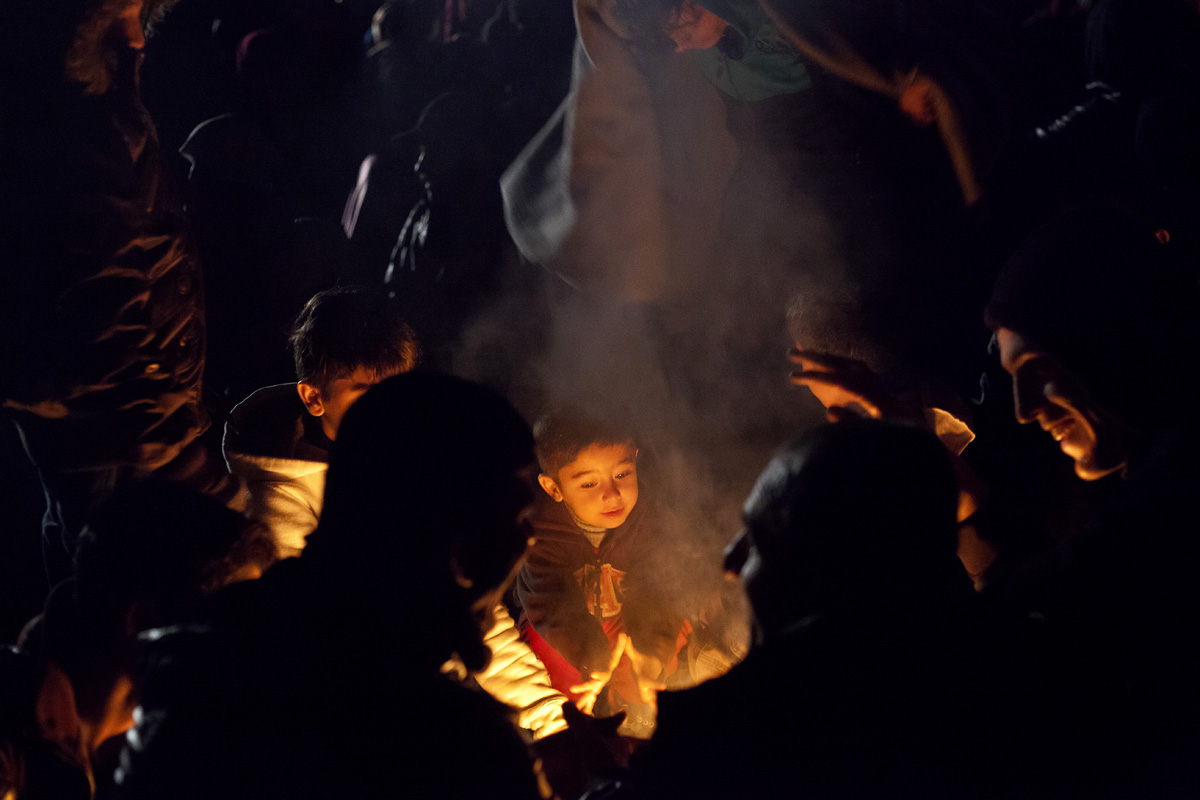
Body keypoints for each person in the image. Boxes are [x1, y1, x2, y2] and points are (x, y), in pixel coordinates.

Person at [117, 373, 552, 800]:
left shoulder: (199, 661)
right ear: (458, 549)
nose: (527, 541)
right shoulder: (454, 750)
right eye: (515, 521)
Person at [619, 421, 1041, 799]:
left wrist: (601, 774)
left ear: (820, 560)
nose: (730, 562)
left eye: (759, 536)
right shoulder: (1016, 668)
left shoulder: (728, 731)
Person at [225, 300, 568, 740]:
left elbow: (472, 605)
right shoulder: (276, 507)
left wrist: (551, 720)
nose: (393, 406)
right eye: (368, 392)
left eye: (399, 387)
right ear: (313, 396)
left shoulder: (406, 469)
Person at [0, 0, 242, 584]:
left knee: (91, 577)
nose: (135, 38)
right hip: (119, 437)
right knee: (129, 604)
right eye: (118, 16)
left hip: (101, 430)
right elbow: (98, 305)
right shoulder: (80, 128)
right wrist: (187, 465)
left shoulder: (77, 109)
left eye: (140, 14)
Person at [983, 206, 1200, 789]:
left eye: (1040, 366)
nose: (1025, 410)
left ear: (1114, 345)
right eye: (1011, 377)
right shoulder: (1152, 470)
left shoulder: (1177, 489)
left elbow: (1018, 619)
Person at [0, 482, 273, 800]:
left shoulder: (146, 750)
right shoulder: (11, 754)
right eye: (225, 622)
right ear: (144, 621)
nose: (245, 645)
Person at [515, 408, 689, 736]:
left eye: (622, 474)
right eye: (589, 483)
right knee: (568, 682)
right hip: (560, 626)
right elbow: (548, 601)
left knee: (652, 673)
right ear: (554, 488)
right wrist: (592, 659)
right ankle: (584, 734)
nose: (611, 494)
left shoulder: (649, 519)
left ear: (635, 460)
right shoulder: (539, 528)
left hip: (629, 614)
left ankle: (636, 719)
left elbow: (659, 589)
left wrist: (649, 653)